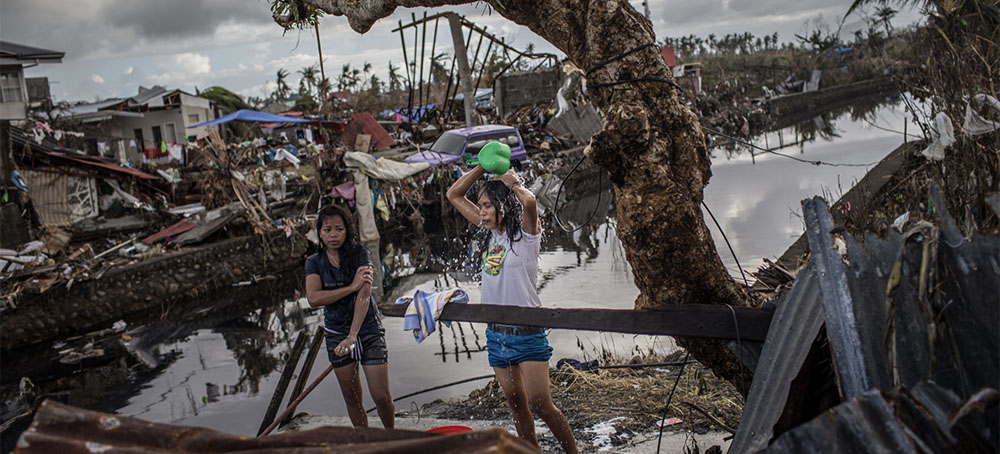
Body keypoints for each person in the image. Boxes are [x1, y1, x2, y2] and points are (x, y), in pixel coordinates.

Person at [446, 163, 579, 453]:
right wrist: (483, 166)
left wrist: (513, 181)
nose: (481, 211)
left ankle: (573, 452)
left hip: (528, 334)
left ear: (503, 207)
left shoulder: (526, 237)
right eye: (479, 206)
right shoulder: (489, 234)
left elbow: (530, 201)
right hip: (496, 336)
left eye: (486, 206)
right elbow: (454, 195)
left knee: (541, 405)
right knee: (517, 407)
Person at [304, 205, 394, 429]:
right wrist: (350, 287)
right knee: (352, 397)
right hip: (336, 333)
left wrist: (353, 335)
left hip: (367, 330)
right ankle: (364, 442)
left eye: (338, 229)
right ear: (320, 233)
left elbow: (363, 297)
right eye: (327, 230)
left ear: (347, 230)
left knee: (381, 395)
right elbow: (314, 298)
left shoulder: (360, 254)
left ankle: (391, 436)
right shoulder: (314, 262)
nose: (333, 235)